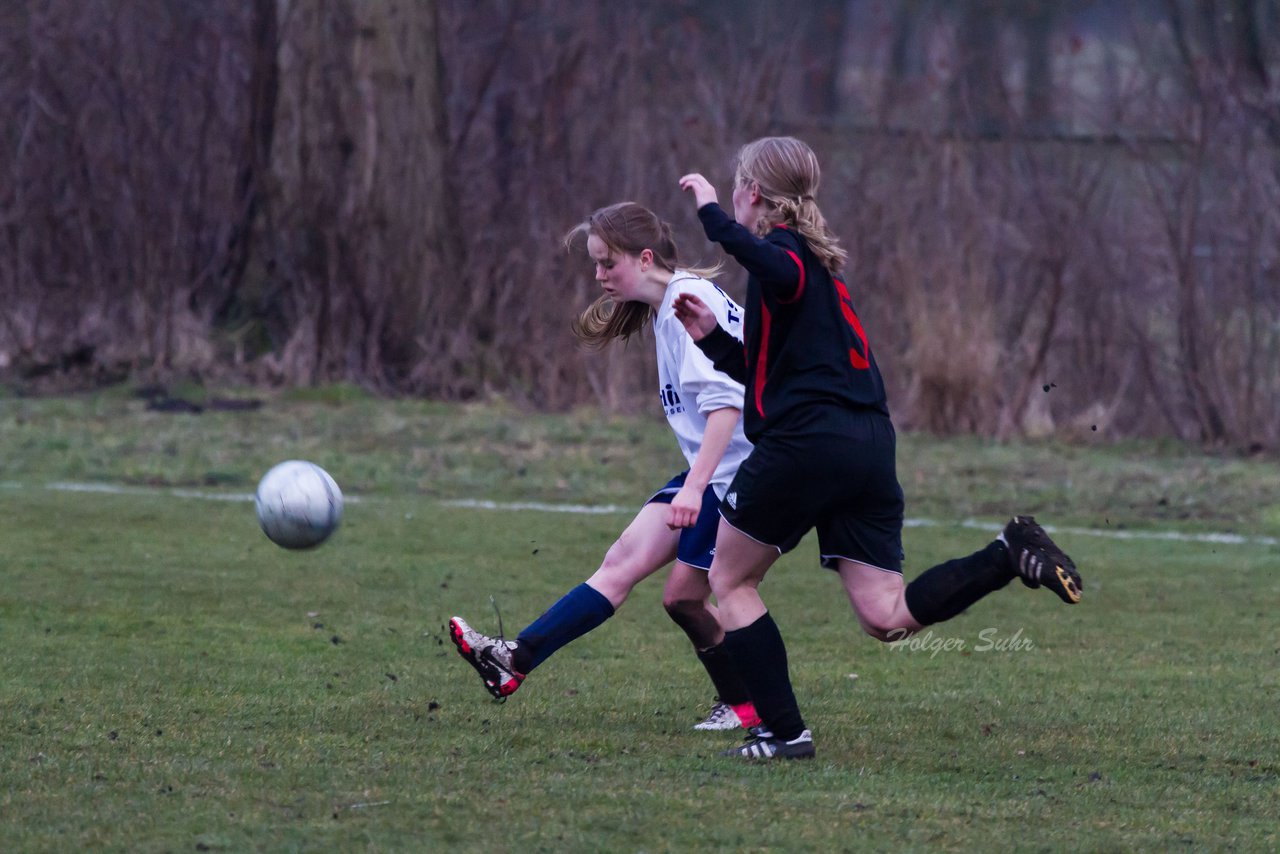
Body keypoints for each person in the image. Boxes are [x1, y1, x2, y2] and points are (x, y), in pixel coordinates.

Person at [673, 136, 1083, 760]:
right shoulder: (815, 267)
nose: (729, 197)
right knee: (886, 615)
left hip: (808, 443)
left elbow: (768, 264)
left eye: (735, 188)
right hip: (866, 444)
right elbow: (772, 373)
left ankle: (784, 735)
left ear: (752, 194)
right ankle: (1007, 553)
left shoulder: (786, 255)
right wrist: (711, 340)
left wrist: (710, 216)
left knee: (728, 580)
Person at [449, 201, 761, 732]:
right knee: (620, 561)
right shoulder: (670, 304)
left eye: (605, 263)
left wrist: (696, 488)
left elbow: (728, 407)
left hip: (739, 475)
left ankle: (751, 707)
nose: (598, 276)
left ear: (643, 258)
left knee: (684, 599)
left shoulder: (688, 303)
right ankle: (513, 661)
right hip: (713, 470)